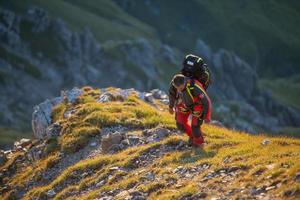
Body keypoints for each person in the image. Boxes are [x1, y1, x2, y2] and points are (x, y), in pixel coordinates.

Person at [169, 74, 212, 147]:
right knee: (180, 124)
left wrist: (207, 117)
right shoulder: (174, 85)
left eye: (181, 88)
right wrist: (171, 107)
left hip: (197, 105)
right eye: (177, 88)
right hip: (184, 104)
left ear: (184, 82)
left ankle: (199, 143)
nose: (179, 90)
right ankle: (192, 137)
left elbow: (206, 101)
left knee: (195, 127)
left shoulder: (194, 87)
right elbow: (172, 95)